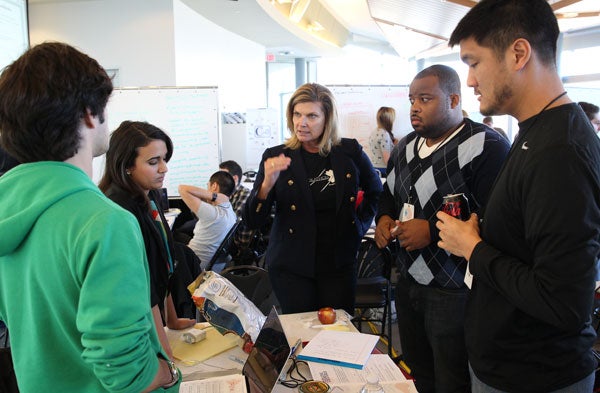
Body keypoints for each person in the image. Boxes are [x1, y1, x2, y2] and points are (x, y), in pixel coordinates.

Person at [436, 0, 600, 391]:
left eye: (474, 63)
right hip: (507, 364)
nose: (470, 80)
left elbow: (563, 302)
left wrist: (473, 248)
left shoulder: (560, 150)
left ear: (519, 53)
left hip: (535, 376)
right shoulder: (536, 131)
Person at [0, 42, 180, 392]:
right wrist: (168, 372)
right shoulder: (103, 221)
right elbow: (128, 374)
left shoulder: (8, 207)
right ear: (87, 113)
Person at [374, 64, 510, 393]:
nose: (415, 107)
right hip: (408, 282)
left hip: (456, 289)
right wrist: (383, 219)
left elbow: (495, 217)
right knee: (419, 371)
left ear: (453, 99)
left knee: (453, 378)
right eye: (411, 99)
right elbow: (388, 196)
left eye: (425, 99)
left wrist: (431, 232)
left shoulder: (486, 146)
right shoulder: (404, 146)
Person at [243, 83, 383, 314]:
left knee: (337, 333)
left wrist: (358, 226)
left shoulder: (348, 152)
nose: (302, 122)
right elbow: (252, 221)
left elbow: (375, 191)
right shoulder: (276, 156)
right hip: (292, 265)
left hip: (338, 262)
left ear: (327, 119)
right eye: (297, 114)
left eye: (311, 116)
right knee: (301, 333)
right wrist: (267, 183)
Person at [98, 120, 197, 358]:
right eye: (153, 162)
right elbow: (145, 286)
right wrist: (165, 351)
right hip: (136, 322)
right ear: (126, 166)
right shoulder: (121, 208)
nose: (164, 168)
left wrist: (172, 320)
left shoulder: (148, 195)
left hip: (157, 316)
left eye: (164, 159)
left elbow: (162, 260)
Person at [179, 171, 237, 269]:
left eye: (208, 186)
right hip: (212, 265)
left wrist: (214, 195)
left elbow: (182, 189)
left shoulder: (213, 213)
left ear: (214, 186)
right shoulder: (230, 211)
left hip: (194, 265)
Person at [367, 106, 396, 176]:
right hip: (384, 170)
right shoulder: (384, 134)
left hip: (375, 168)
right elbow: (387, 159)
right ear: (389, 120)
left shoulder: (374, 132)